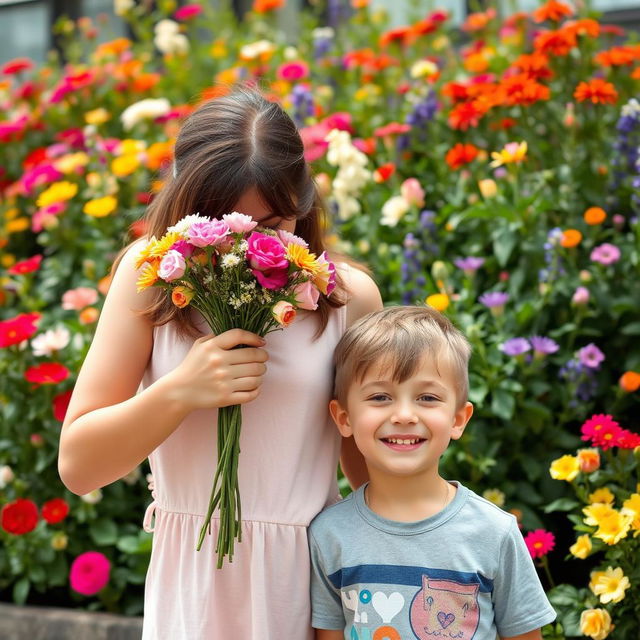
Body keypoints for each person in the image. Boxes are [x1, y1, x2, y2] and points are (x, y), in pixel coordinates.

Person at [57, 87, 382, 639]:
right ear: (186, 208)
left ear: (302, 206)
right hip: (193, 582)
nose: (250, 243)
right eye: (227, 224)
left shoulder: (347, 297)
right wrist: (180, 389)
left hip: (307, 584)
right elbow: (79, 465)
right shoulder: (150, 279)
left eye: (273, 222)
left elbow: (367, 473)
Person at [309, 306, 557, 640]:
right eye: (380, 397)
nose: (405, 415)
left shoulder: (493, 532)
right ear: (344, 418)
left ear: (458, 419)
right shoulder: (329, 535)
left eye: (427, 397)